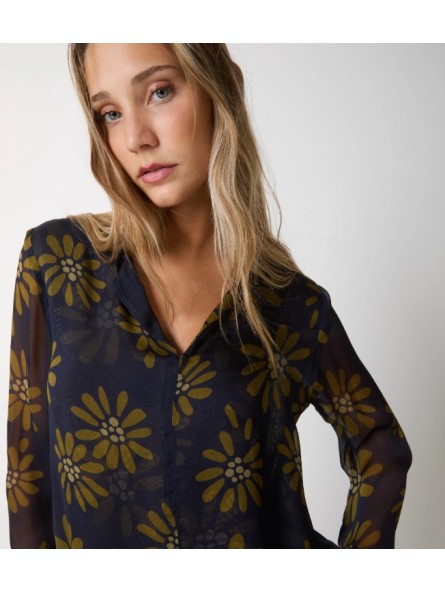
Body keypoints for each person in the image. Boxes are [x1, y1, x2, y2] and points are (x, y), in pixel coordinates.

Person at [6, 43, 412, 549]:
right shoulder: (57, 264)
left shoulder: (288, 304)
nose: (135, 138)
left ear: (223, 88)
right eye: (110, 113)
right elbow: (27, 474)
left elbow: (381, 448)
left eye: (159, 92)